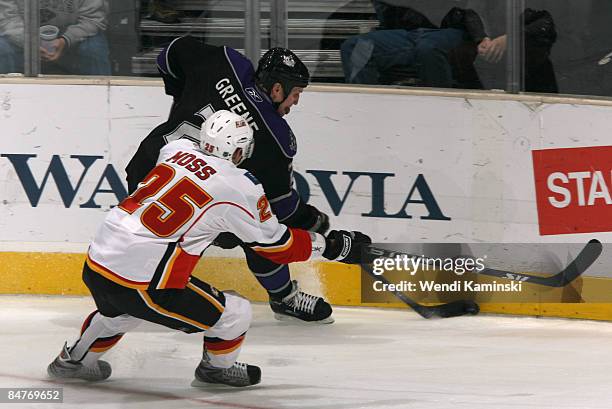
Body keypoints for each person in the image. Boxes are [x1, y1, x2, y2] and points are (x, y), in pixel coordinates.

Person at [47, 110, 372, 387]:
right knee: (235, 313)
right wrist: (334, 246)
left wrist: (215, 227)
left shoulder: (173, 150)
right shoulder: (239, 185)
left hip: (97, 262)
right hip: (145, 282)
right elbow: (277, 247)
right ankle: (215, 369)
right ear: (238, 151)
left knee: (117, 313)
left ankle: (72, 360)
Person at [126, 36, 336, 324]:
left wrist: (181, 96)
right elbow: (282, 207)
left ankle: (129, 287)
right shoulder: (276, 137)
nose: (296, 101)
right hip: (199, 202)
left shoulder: (227, 62)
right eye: (296, 93)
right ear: (277, 89)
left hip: (148, 172)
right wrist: (312, 220)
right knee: (261, 226)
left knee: (144, 232)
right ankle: (285, 297)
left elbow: (170, 52)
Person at [340, 0, 488, 88]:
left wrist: (481, 36)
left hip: (455, 29)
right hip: (410, 32)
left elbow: (470, 10)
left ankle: (440, 107)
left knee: (428, 47)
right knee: (356, 46)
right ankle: (366, 111)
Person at [0, 0, 111, 75]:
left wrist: (66, 40)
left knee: (94, 49)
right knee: (2, 48)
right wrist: (29, 42)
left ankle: (103, 104)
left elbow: (92, 19)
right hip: (23, 39)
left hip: (73, 41)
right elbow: (7, 19)